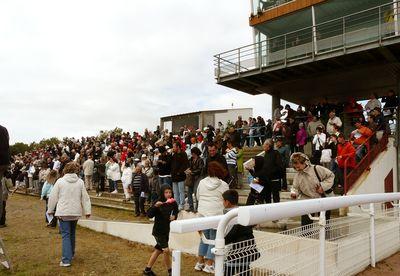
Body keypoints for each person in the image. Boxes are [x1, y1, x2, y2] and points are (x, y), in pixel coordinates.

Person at [47, 162, 91, 267]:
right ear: (75, 170)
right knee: (72, 233)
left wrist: (50, 209)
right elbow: (85, 197)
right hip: (75, 212)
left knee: (66, 235)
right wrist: (87, 211)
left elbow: (53, 196)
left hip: (63, 212)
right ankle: (70, 254)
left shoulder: (60, 182)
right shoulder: (80, 182)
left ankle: (66, 260)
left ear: (65, 170)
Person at [195, 161, 229, 274]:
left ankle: (200, 262)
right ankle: (209, 264)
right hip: (216, 215)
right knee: (214, 239)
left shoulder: (201, 182)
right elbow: (226, 201)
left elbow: (198, 196)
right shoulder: (224, 184)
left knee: (204, 238)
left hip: (202, 214)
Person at [290, 153, 335, 226]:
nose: (297, 169)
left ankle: (325, 236)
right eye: (295, 168)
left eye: (298, 167)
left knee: (324, 224)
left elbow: (331, 175)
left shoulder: (316, 168)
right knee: (305, 226)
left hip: (323, 199)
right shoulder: (298, 175)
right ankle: (305, 237)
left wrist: (323, 187)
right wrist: (294, 193)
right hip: (307, 201)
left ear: (304, 163)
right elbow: (295, 187)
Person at [143, 185, 178, 276]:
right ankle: (170, 271)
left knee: (158, 250)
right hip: (158, 231)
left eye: (170, 192)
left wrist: (174, 216)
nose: (168, 194)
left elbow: (175, 211)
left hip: (166, 230)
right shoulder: (158, 202)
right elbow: (149, 215)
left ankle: (147, 270)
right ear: (162, 193)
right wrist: (155, 206)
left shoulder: (173, 202)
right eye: (166, 192)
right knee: (166, 250)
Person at [223, 189, 259, 276]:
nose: (222, 203)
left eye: (223, 201)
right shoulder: (242, 211)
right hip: (248, 246)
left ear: (227, 202)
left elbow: (230, 233)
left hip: (237, 249)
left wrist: (220, 241)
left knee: (229, 268)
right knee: (244, 269)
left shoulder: (232, 215)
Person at [262, 139, 284, 203]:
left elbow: (279, 166)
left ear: (268, 146)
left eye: (264, 145)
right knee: (267, 197)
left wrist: (270, 172)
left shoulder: (276, 153)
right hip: (267, 180)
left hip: (274, 179)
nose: (263, 146)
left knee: (276, 197)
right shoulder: (265, 154)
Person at [170, 142, 189, 211]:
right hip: (174, 176)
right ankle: (176, 204)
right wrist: (170, 154)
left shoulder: (183, 154)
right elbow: (170, 163)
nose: (173, 148)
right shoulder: (173, 154)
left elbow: (185, 164)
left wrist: (179, 172)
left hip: (180, 176)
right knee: (175, 192)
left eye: (174, 147)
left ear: (178, 147)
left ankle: (181, 204)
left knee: (181, 191)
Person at [186, 147, 204, 212]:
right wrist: (188, 170)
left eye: (193, 153)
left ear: (195, 153)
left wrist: (192, 172)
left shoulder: (200, 160)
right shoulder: (191, 159)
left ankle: (197, 208)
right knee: (189, 193)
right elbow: (189, 167)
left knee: (196, 193)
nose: (192, 154)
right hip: (191, 178)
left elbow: (200, 169)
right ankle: (191, 207)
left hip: (197, 178)